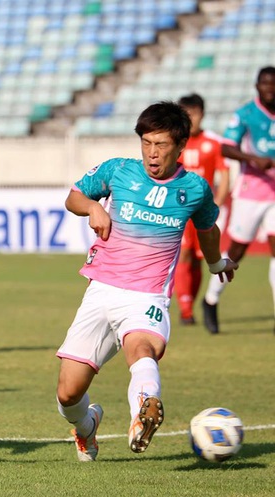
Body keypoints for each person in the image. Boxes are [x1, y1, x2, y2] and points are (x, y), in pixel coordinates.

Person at [55, 102, 237, 462]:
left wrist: (215, 262)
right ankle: (87, 426)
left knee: (142, 350)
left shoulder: (194, 189)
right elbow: (74, 197)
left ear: (181, 145)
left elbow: (207, 228)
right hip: (101, 290)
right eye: (147, 143)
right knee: (67, 394)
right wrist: (93, 207)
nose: (152, 154)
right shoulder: (117, 171)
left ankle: (144, 410)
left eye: (161, 145)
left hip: (147, 296)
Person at [202, 66, 275, 334]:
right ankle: (211, 300)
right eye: (265, 84)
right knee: (237, 251)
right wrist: (253, 159)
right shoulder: (245, 114)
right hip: (251, 191)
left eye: (273, 84)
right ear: (257, 86)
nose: (270, 88)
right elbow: (226, 147)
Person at [174, 94, 230, 325]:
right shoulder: (175, 141)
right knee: (184, 254)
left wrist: (217, 202)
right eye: (185, 114)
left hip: (203, 209)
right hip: (178, 209)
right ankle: (185, 309)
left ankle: (191, 303)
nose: (190, 119)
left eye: (194, 114)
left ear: (202, 114)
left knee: (200, 259)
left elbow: (224, 175)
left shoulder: (213, 143)